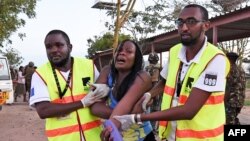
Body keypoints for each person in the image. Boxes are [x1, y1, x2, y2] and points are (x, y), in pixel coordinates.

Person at [112, 4, 230, 141]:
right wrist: (149, 94)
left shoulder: (215, 59)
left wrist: (137, 118)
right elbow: (164, 80)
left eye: (191, 22)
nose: (184, 28)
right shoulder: (175, 52)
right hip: (170, 136)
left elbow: (189, 110)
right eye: (180, 22)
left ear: (206, 25)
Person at [29, 29, 109, 141]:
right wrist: (82, 103)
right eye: (49, 47)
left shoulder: (88, 66)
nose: (53, 50)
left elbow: (103, 98)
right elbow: (43, 110)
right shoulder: (40, 74)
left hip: (94, 137)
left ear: (70, 47)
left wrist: (106, 90)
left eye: (59, 45)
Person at [90, 39, 156, 141]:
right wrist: (130, 115)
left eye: (129, 51)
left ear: (136, 59)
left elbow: (126, 104)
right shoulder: (107, 72)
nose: (122, 53)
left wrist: (112, 123)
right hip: (117, 135)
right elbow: (94, 107)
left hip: (142, 136)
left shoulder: (143, 77)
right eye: (119, 50)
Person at [225, 52, 246, 125]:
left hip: (231, 101)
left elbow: (227, 87)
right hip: (240, 100)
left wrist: (223, 101)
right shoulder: (241, 70)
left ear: (228, 58)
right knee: (234, 119)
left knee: (229, 121)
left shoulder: (228, 69)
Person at [145, 52, 161, 132]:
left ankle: (149, 128)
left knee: (148, 112)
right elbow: (155, 82)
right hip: (154, 93)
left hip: (146, 93)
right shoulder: (156, 69)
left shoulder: (146, 68)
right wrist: (156, 95)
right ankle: (153, 129)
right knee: (155, 111)